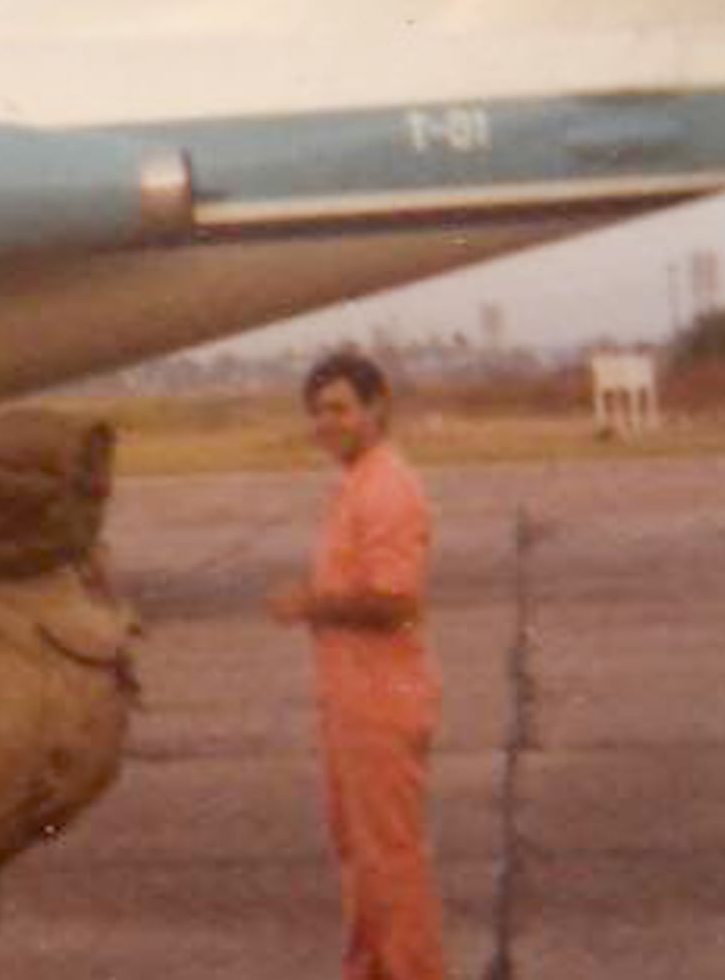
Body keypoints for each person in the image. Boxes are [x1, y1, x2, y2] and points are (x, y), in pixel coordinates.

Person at [268, 350, 445, 980]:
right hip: (351, 700)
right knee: (362, 856)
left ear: (377, 408)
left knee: (389, 860)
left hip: (380, 701)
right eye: (318, 411)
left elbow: (396, 600)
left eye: (341, 408)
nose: (328, 422)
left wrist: (309, 604)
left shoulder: (388, 487)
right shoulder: (357, 484)